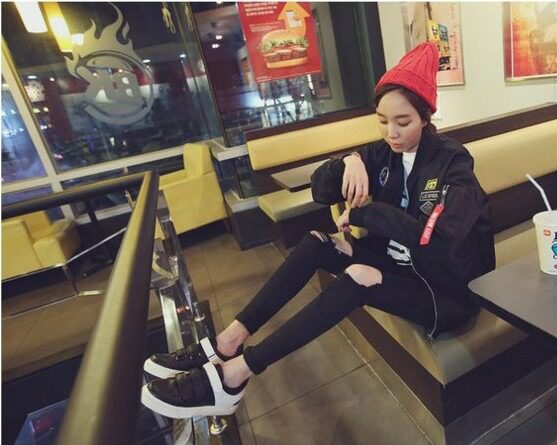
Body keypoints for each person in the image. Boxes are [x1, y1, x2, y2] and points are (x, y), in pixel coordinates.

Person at [140, 42, 496, 419]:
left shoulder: (453, 163)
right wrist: (348, 161)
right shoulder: (382, 154)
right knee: (316, 242)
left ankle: (234, 376)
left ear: (425, 117)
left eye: (403, 122)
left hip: (443, 289)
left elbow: (435, 239)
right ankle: (228, 341)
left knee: (358, 276)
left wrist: (365, 214)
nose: (391, 133)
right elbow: (321, 190)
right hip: (399, 269)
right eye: (382, 121)